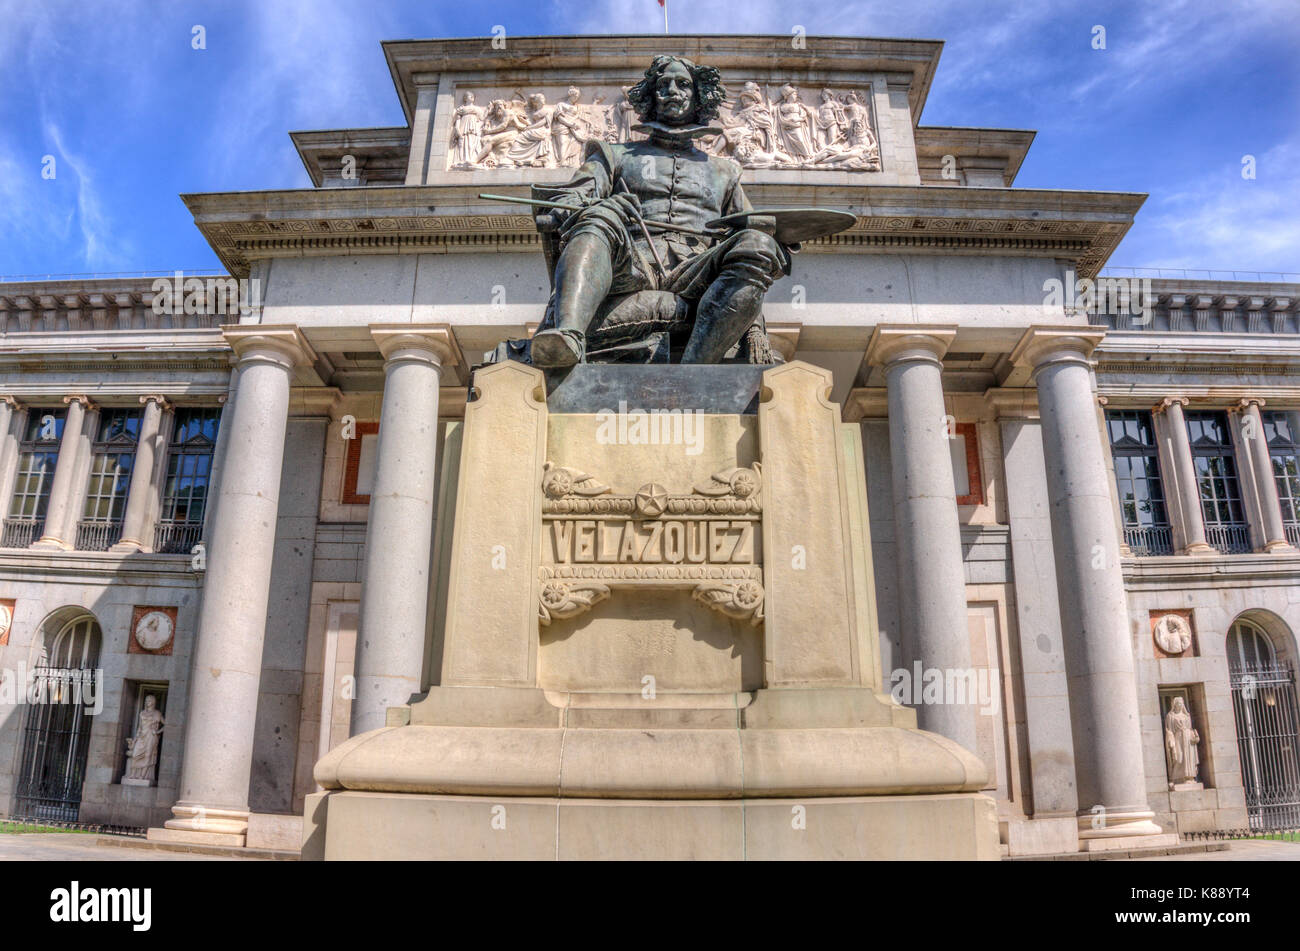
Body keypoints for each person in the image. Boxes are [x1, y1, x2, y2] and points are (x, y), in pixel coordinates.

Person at [527, 55, 789, 368]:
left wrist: (766, 232)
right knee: (600, 215)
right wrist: (599, 204)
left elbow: (748, 233)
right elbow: (566, 201)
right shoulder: (614, 155)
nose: (672, 91)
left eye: (683, 85)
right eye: (663, 85)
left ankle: (695, 371)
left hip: (695, 273)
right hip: (628, 269)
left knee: (758, 245)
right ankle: (567, 338)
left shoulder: (725, 171)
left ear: (698, 96)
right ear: (651, 97)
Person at [125, 694, 164, 782]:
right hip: (142, 736)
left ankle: (142, 776)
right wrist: (135, 740)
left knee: (147, 756)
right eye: (146, 700)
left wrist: (157, 732)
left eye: (149, 701)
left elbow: (167, 724)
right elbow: (139, 727)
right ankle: (132, 774)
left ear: (153, 702)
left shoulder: (157, 713)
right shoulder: (142, 713)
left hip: (151, 736)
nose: (147, 702)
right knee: (135, 755)